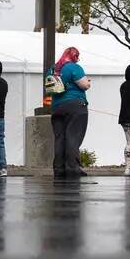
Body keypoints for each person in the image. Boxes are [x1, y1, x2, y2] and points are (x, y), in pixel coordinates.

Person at [50, 46, 90, 178]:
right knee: (73, 136)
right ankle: (72, 169)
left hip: (56, 107)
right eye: (77, 56)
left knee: (59, 138)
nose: (78, 59)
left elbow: (50, 88)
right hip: (75, 106)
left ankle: (59, 169)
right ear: (73, 56)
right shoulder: (73, 67)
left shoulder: (53, 69)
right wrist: (88, 82)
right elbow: (84, 85)